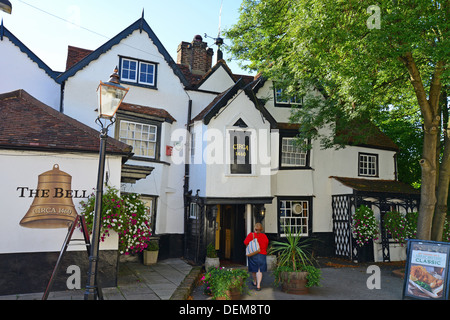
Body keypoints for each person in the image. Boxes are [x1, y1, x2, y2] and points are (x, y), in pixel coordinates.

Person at [244, 222, 269, 291]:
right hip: (262, 254)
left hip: (253, 254)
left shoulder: (251, 235)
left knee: (254, 270)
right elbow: (266, 244)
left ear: (255, 228)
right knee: (259, 270)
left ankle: (255, 282)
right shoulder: (264, 236)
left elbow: (245, 242)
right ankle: (258, 285)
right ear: (261, 229)